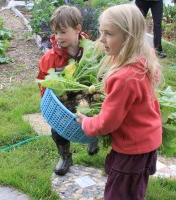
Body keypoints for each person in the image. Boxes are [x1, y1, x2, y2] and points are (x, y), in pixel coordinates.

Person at [77, 4, 163, 200]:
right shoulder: (144, 61)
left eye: (109, 33)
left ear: (128, 37)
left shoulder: (124, 78)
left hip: (132, 150)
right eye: (101, 32)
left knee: (119, 194)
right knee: (133, 190)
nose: (102, 39)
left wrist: (87, 123)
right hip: (145, 142)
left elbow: (108, 122)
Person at [37, 5, 99, 176]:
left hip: (90, 96)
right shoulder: (50, 58)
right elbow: (43, 82)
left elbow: (103, 73)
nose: (58, 37)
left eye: (63, 32)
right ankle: (65, 157)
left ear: (78, 29)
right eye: (56, 32)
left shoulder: (92, 50)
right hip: (64, 103)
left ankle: (93, 140)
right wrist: (48, 101)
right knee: (58, 130)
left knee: (99, 119)